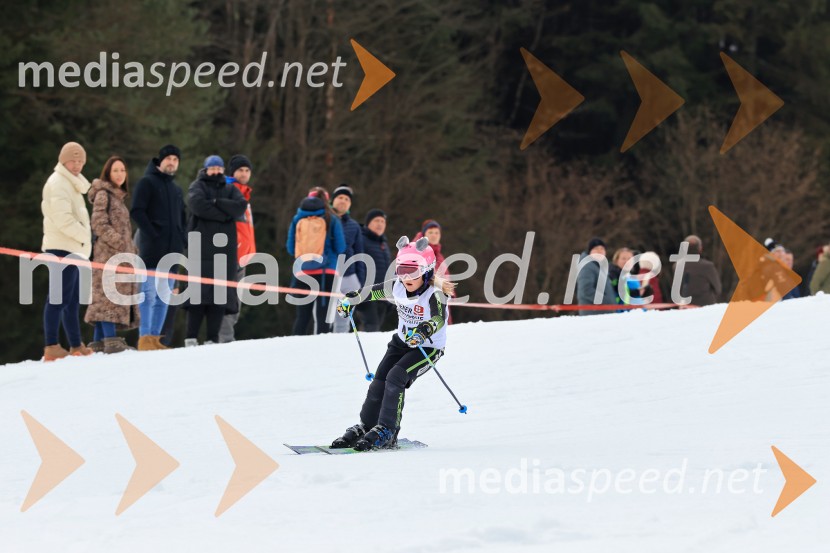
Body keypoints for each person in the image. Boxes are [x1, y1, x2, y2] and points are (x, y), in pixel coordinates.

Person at [330, 236, 455, 451]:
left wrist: (425, 330)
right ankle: (366, 425)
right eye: (401, 270)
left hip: (428, 348)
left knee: (396, 377)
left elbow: (438, 318)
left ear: (427, 271)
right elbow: (369, 292)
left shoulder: (434, 294)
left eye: (412, 272)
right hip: (401, 342)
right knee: (379, 379)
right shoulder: (397, 287)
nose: (406, 277)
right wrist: (350, 300)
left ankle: (388, 430)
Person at [184, 156, 248, 346]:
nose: (216, 171)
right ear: (205, 170)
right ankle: (191, 337)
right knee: (197, 294)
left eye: (219, 168)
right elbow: (197, 205)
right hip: (200, 248)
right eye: (212, 168)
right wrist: (223, 215)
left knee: (220, 296)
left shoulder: (230, 189)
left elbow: (240, 206)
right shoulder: (197, 186)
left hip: (224, 250)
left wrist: (215, 202)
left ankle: (212, 338)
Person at [41, 142, 94, 361]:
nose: (77, 165)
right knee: (57, 298)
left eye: (81, 161)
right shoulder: (58, 183)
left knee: (71, 300)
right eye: (73, 160)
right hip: (61, 247)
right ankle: (51, 345)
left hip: (73, 248)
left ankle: (75, 345)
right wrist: (85, 236)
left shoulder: (72, 184)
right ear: (63, 160)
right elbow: (64, 219)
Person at [130, 145, 186, 350]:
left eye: (176, 159)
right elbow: (137, 211)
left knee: (164, 297)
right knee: (149, 293)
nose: (172, 162)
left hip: (173, 252)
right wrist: (152, 234)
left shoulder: (176, 189)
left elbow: (183, 219)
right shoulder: (147, 183)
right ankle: (144, 337)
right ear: (160, 161)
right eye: (169, 158)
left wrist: (183, 240)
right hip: (152, 250)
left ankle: (155, 338)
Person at [84, 156, 140, 353]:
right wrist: (118, 243)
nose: (120, 174)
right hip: (107, 255)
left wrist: (130, 249)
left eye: (122, 170)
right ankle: (110, 340)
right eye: (115, 170)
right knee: (108, 297)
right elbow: (98, 223)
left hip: (120, 256)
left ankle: (99, 341)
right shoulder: (104, 195)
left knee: (105, 298)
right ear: (107, 173)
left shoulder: (118, 197)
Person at [286, 187, 346, 335]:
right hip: (326, 271)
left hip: (302, 270)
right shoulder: (331, 218)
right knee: (323, 315)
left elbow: (290, 248)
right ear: (327, 201)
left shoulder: (297, 218)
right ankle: (322, 350)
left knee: (302, 316)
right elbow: (340, 247)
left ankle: (294, 347)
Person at [219, 154, 257, 343]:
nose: (244, 173)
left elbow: (246, 227)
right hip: (230, 253)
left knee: (236, 298)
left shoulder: (244, 193)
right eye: (240, 170)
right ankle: (224, 337)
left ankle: (227, 336)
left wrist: (250, 250)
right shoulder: (228, 190)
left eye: (247, 170)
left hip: (243, 254)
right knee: (228, 297)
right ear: (232, 172)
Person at [359, 209, 392, 331]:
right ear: (368, 223)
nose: (380, 224)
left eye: (383, 221)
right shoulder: (362, 239)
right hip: (366, 291)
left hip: (383, 294)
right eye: (376, 220)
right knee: (371, 326)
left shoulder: (384, 244)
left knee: (376, 327)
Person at [576, 237, 617, 315]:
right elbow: (586, 290)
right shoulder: (587, 266)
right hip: (594, 314)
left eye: (602, 248)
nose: (599, 251)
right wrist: (607, 302)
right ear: (589, 252)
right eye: (596, 248)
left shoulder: (598, 267)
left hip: (602, 313)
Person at [678, 235, 721, 306]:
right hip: (706, 307)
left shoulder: (677, 266)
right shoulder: (708, 266)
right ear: (700, 248)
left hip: (685, 307)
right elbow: (718, 289)